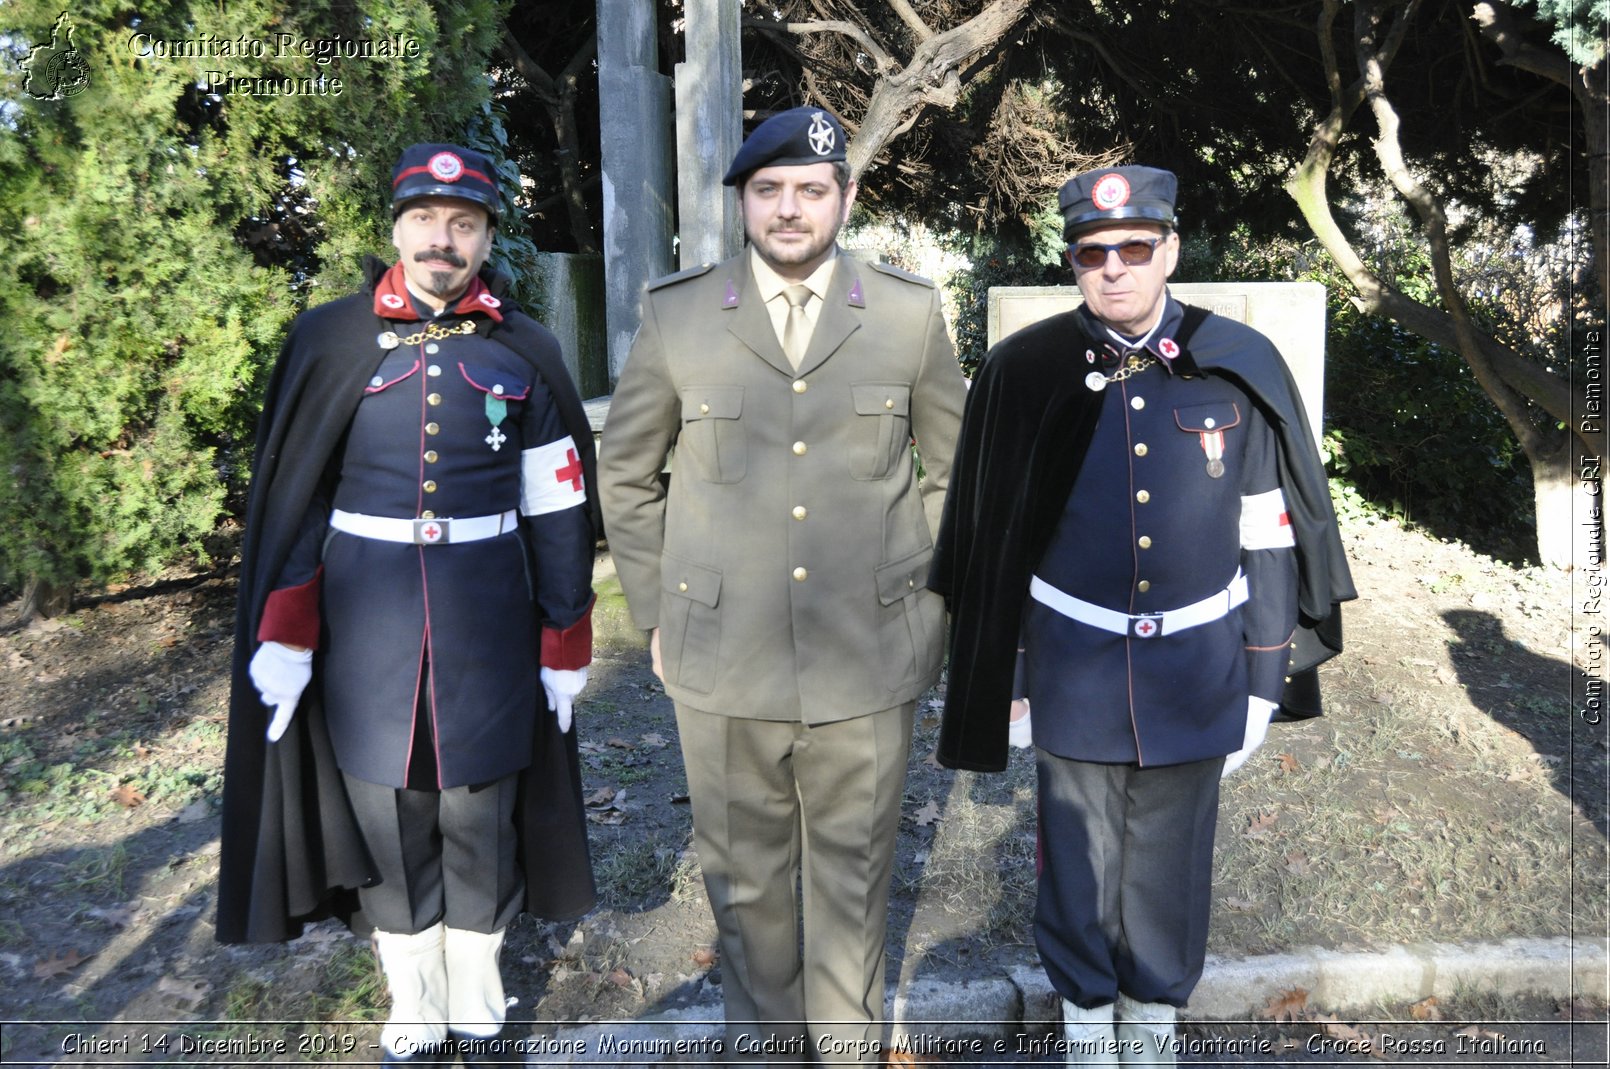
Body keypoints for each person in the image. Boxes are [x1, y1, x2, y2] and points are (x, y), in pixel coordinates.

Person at [930, 165, 1355, 1066]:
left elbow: (1268, 531)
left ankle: (1153, 1024)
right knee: (1076, 859)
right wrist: (1005, 676)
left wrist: (1263, 673)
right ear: (1074, 262)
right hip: (1069, 658)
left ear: (1169, 249)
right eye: (1094, 252)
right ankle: (1086, 1024)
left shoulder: (1235, 361)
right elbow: (992, 538)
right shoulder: (1023, 371)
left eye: (1134, 247)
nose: (1114, 268)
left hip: (1199, 662)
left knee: (1170, 858)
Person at [598, 107, 967, 1065]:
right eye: (769, 190)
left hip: (868, 655)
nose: (790, 208)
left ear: (845, 196)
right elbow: (628, 474)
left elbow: (954, 474)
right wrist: (657, 615)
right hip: (724, 662)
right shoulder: (681, 314)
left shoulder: (906, 312)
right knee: (748, 888)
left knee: (852, 884)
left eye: (811, 189)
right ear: (744, 203)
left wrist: (924, 607)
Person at [217, 143, 600, 1064]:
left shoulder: (525, 349)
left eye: (463, 224)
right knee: (386, 806)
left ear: (486, 236)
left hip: (489, 621)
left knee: (478, 810)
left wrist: (564, 632)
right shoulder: (329, 338)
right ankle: (415, 1000)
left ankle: (477, 992)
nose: (444, 239)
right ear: (396, 228)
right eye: (426, 221)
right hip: (366, 627)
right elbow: (301, 497)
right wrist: (288, 630)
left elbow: (557, 497)